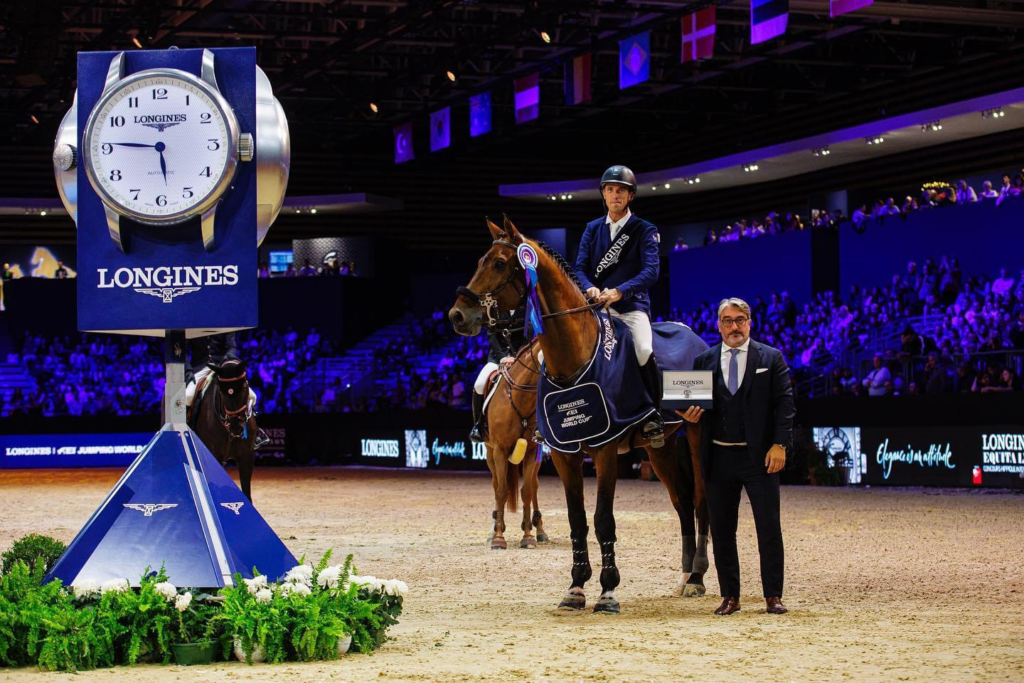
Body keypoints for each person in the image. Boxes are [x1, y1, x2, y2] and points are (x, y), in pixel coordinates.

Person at [676, 297, 795, 616]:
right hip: (718, 459)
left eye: (740, 320)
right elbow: (683, 401)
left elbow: (785, 405)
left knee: (769, 527)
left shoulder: (771, 357)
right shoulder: (704, 361)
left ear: (750, 323)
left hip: (761, 459)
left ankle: (773, 595)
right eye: (727, 321)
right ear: (719, 325)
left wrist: (779, 444)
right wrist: (683, 411)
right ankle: (730, 595)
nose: (734, 326)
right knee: (723, 530)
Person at [574, 165, 664, 445]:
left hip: (631, 307)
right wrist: (588, 286)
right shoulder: (591, 229)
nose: (615, 195)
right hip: (597, 308)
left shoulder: (644, 229)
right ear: (604, 194)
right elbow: (579, 268)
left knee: (643, 348)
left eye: (621, 191)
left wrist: (619, 292)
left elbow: (651, 271)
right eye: (610, 190)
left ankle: (652, 414)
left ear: (630, 196)